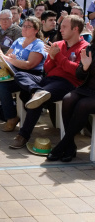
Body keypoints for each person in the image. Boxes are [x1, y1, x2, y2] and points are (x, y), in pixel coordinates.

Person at [10, 15, 89, 149]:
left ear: (75, 29)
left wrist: (58, 56)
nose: (60, 29)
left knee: (39, 98)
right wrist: (52, 58)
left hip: (66, 83)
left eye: (64, 27)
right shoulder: (57, 44)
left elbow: (77, 72)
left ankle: (23, 135)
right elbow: (46, 69)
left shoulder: (85, 48)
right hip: (47, 80)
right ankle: (36, 91)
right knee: (20, 75)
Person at [0, 17, 47, 132]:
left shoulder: (38, 44)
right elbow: (8, 56)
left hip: (28, 76)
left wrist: (10, 59)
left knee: (1, 87)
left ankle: (11, 117)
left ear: (36, 30)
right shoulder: (19, 41)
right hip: (11, 71)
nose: (24, 28)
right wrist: (7, 59)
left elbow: (29, 65)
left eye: (28, 26)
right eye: (24, 25)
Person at [47, 32, 95, 162]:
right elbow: (79, 75)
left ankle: (62, 145)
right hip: (87, 88)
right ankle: (70, 146)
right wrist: (84, 67)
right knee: (68, 99)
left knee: (82, 105)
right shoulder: (91, 48)